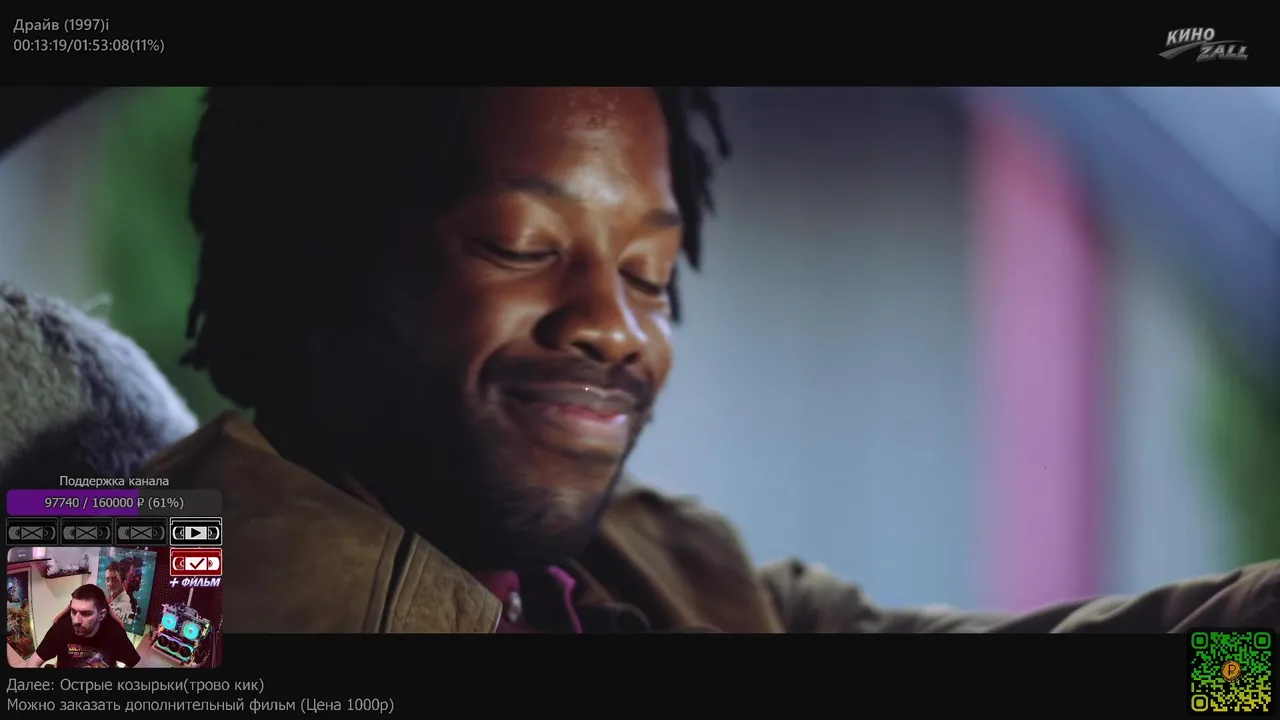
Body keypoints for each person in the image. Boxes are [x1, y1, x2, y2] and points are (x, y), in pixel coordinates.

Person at [143, 87, 1279, 633]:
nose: (614, 326)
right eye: (523, 246)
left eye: (648, 275)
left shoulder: (680, 575)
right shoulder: (129, 569)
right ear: (320, 258)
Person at [10, 584, 140, 668]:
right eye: (73, 611)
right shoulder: (61, 629)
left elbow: (136, 665)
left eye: (86, 613)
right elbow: (33, 662)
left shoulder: (115, 632)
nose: (76, 620)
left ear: (101, 615)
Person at [103, 561, 137, 626]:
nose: (110, 583)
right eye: (107, 579)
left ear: (123, 583)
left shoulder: (124, 607)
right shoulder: (110, 598)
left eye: (114, 580)